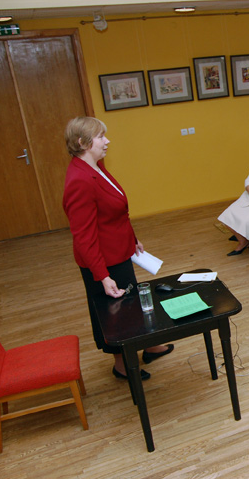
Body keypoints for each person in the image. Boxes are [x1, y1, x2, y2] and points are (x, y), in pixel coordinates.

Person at [62, 117, 173, 381]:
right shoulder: (79, 180)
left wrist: (132, 238)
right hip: (103, 261)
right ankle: (122, 365)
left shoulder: (97, 167)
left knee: (131, 305)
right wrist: (103, 276)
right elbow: (83, 237)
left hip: (119, 251)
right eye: (101, 136)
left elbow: (116, 210)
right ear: (83, 142)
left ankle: (148, 345)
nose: (107, 141)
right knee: (116, 314)